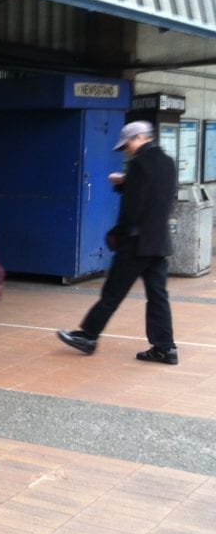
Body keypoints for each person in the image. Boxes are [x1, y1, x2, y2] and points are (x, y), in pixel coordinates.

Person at [57, 120, 179, 364]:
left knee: (112, 292)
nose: (127, 149)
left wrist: (119, 233)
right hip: (158, 241)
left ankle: (88, 337)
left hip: (135, 242)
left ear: (140, 138)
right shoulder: (167, 163)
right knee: (158, 296)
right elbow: (157, 196)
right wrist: (126, 184)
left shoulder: (138, 165)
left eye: (128, 144)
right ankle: (165, 348)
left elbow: (132, 208)